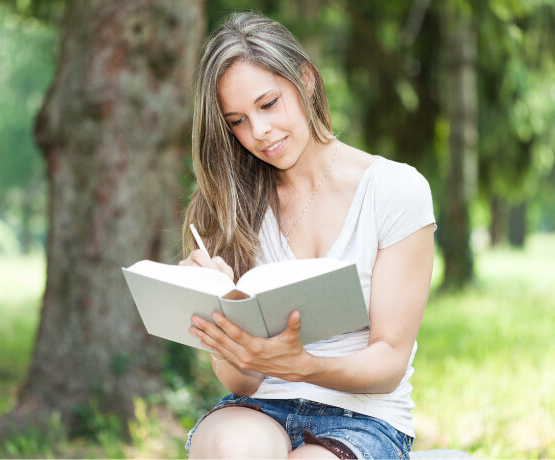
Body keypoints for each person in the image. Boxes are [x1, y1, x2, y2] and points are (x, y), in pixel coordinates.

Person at [178, 11, 436, 460]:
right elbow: (243, 382)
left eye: (268, 104)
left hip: (363, 419)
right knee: (233, 450)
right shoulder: (232, 204)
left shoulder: (394, 189)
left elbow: (389, 363)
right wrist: (220, 320)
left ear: (307, 79)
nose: (259, 133)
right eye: (237, 120)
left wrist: (303, 365)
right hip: (258, 407)